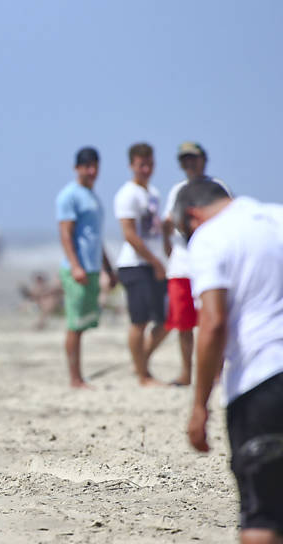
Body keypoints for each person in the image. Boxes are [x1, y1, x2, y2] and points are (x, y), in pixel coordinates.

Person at [174, 179, 283, 544]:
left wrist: (200, 405)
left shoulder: (212, 237)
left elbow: (212, 323)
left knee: (262, 512)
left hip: (262, 383)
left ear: (191, 216)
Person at [162, 142, 229, 386]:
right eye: (184, 160)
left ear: (203, 159)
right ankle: (186, 372)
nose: (189, 163)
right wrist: (167, 250)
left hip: (210, 265)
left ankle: (217, 371)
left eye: (193, 158)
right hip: (182, 265)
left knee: (212, 319)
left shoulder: (217, 187)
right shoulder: (177, 190)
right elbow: (168, 224)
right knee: (184, 324)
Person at [56, 146, 117, 388]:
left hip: (92, 267)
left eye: (95, 166)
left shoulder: (92, 196)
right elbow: (65, 234)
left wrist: (108, 268)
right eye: (87, 166)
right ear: (77, 168)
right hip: (77, 269)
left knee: (83, 324)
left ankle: (79, 375)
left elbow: (94, 238)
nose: (92, 171)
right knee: (75, 324)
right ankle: (75, 378)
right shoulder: (69, 195)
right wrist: (75, 266)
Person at [114, 142, 168, 386]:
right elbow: (130, 234)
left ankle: (140, 363)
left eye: (149, 164)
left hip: (154, 263)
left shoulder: (153, 193)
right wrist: (154, 261)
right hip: (134, 264)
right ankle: (142, 374)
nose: (146, 169)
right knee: (139, 321)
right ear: (132, 166)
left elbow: (156, 232)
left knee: (167, 319)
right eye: (141, 165)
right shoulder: (127, 194)